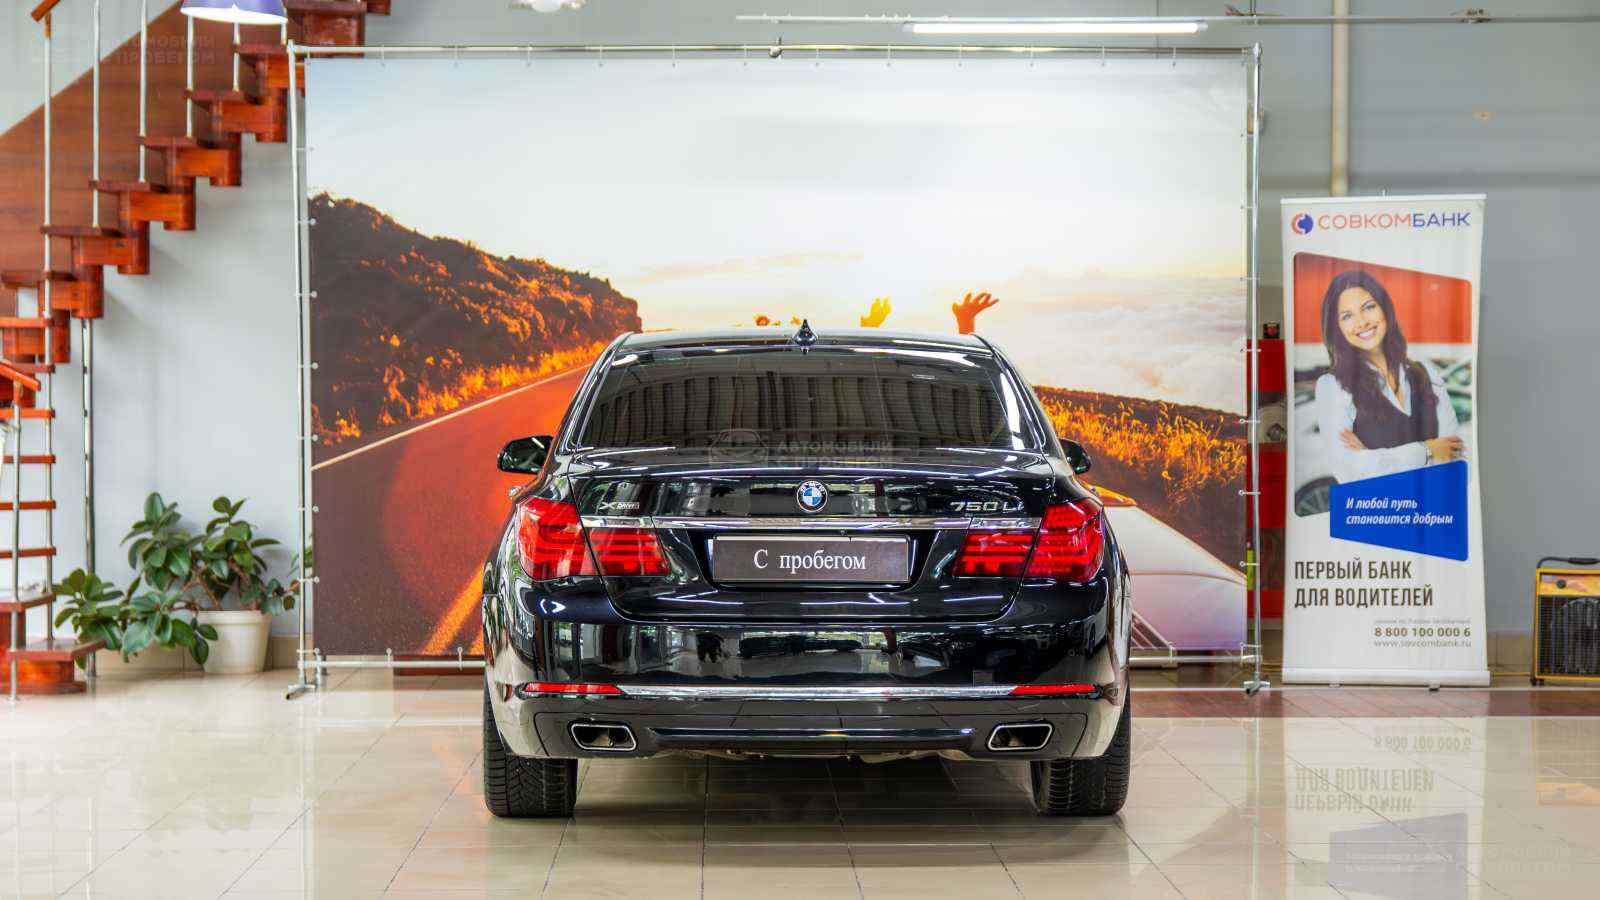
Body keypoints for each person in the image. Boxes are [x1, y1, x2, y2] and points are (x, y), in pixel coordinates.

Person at [1312, 270, 1464, 484]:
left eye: (1368, 307)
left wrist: (1372, 458)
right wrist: (1428, 450)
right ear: (1337, 329)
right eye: (1347, 316)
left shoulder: (1426, 373)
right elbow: (1350, 472)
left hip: (1432, 504)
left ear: (1385, 309)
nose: (1362, 322)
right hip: (1377, 506)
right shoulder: (1332, 386)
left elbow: (1457, 459)